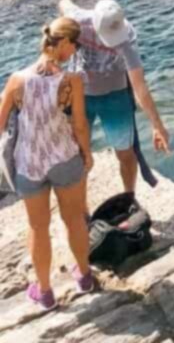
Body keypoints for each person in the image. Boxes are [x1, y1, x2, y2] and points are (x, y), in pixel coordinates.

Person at [0, 17, 96, 311]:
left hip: (29, 164)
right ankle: (84, 278)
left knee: (37, 227)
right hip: (65, 158)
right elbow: (79, 125)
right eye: (74, 43)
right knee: (74, 220)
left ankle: (45, 293)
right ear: (63, 42)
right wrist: (87, 153)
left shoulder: (17, 80)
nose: (75, 50)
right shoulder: (71, 81)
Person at [60, 0, 170, 195]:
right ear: (93, 22)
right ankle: (80, 208)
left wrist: (157, 125)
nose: (112, 42)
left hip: (115, 97)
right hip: (80, 96)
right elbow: (64, 2)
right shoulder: (78, 20)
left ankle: (129, 197)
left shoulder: (126, 37)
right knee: (76, 155)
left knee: (126, 153)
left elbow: (139, 85)